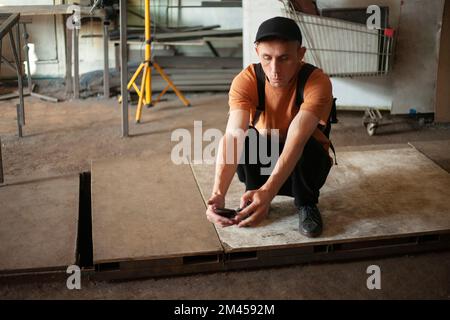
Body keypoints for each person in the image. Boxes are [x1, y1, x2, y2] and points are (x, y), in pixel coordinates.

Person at [205, 16, 334, 238]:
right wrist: (218, 194)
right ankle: (254, 196)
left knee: (306, 146)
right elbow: (233, 136)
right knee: (247, 140)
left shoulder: (317, 82)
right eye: (267, 58)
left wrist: (269, 191)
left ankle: (306, 204)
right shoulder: (246, 81)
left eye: (284, 59)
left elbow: (296, 140)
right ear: (257, 52)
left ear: (300, 54)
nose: (275, 70)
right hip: (266, 157)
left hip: (303, 161)